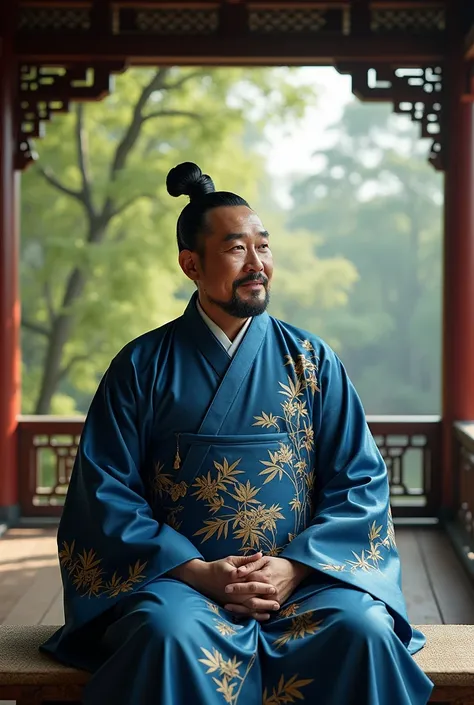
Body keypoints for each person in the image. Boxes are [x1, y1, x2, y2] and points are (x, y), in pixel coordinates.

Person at [41, 162, 434, 705]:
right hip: (181, 584)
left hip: (303, 582)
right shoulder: (141, 366)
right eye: (236, 249)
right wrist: (202, 574)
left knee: (361, 631)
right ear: (191, 264)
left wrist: (294, 567)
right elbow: (104, 494)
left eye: (264, 247)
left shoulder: (313, 362)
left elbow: (359, 483)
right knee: (166, 636)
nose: (258, 265)